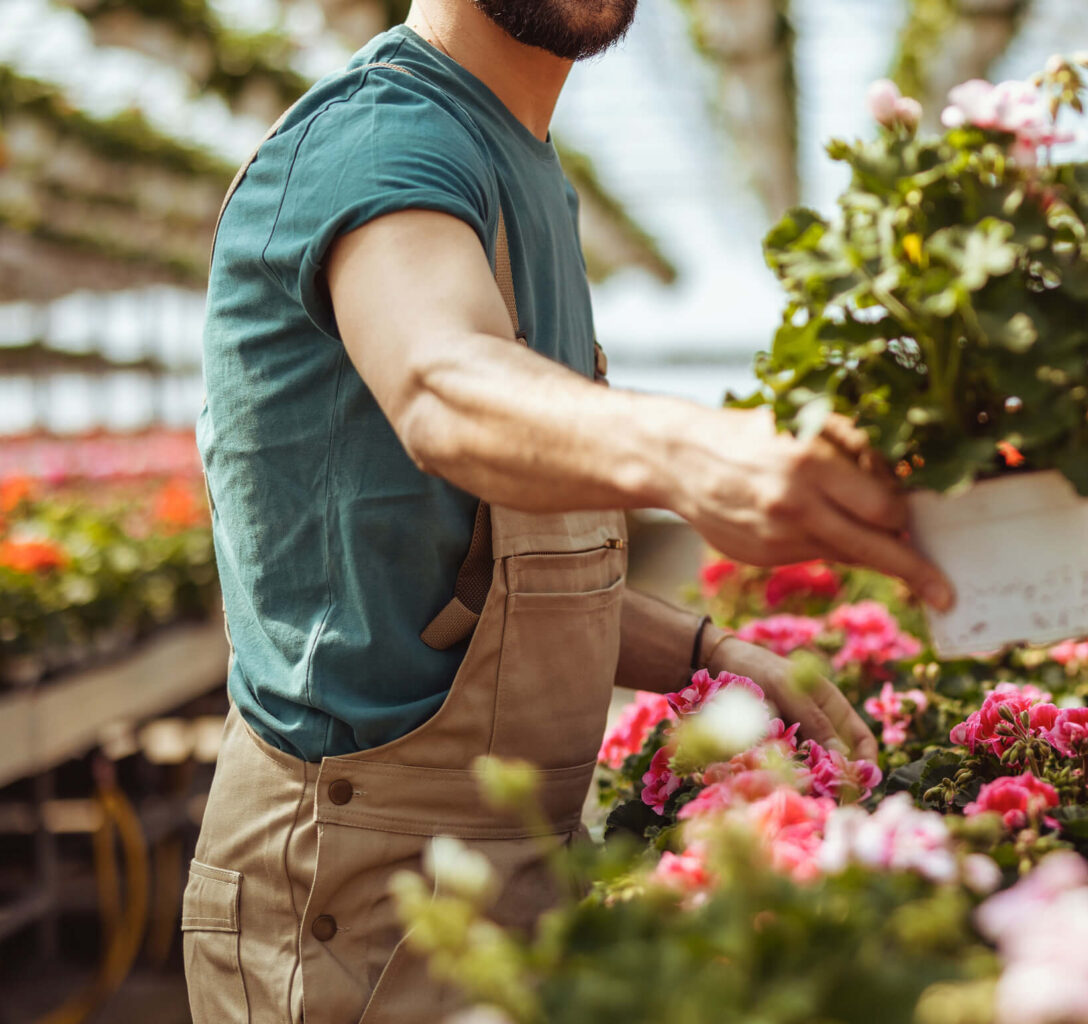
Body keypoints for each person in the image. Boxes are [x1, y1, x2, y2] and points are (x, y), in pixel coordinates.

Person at [178, 0, 952, 1018]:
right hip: (358, 892)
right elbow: (443, 385)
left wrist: (709, 653)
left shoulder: (527, 167)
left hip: (507, 863)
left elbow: (487, 578)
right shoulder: (382, 140)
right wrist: (696, 452)